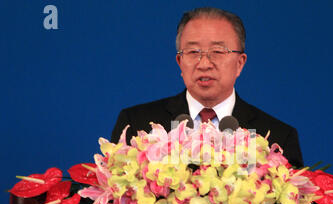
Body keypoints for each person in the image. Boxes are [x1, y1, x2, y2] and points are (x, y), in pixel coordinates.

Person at [111, 7, 304, 168]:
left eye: (218, 51)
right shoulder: (137, 125)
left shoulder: (277, 137)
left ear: (240, 63)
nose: (204, 63)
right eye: (193, 51)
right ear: (180, 62)